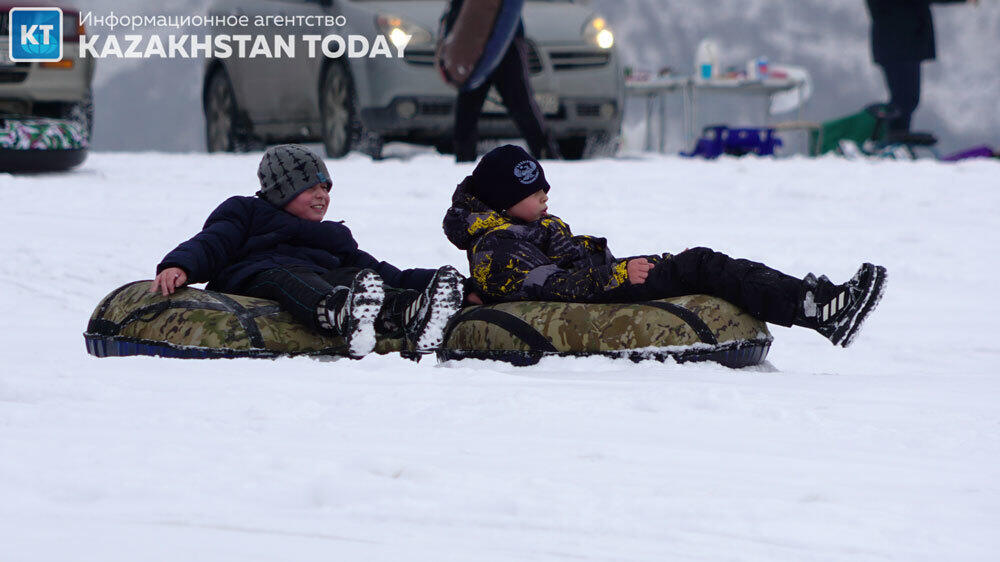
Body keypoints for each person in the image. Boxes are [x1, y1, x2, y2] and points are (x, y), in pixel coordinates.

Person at [443, 145, 888, 348]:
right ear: (504, 199)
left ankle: (815, 304)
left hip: (607, 280)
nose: (546, 194)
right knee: (700, 264)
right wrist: (616, 275)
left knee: (705, 264)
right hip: (601, 290)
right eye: (533, 190)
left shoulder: (522, 227)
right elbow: (551, 286)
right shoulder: (498, 246)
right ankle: (816, 309)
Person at [152, 144, 464, 358]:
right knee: (286, 275)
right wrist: (181, 265)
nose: (321, 196)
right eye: (310, 188)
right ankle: (339, 312)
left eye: (325, 189)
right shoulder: (247, 211)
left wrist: (436, 283)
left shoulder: (332, 235)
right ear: (281, 190)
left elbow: (384, 271)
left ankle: (412, 309)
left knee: (356, 274)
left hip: (319, 278)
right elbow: (213, 242)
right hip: (257, 278)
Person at [439, 0, 560, 162]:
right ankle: (463, 158)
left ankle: (546, 153)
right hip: (477, 39)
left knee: (519, 103)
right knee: (470, 105)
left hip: (500, 41)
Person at [865, 0, 978, 137]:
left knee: (906, 99)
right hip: (899, 43)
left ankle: (894, 139)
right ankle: (892, 139)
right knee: (904, 100)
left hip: (900, 44)